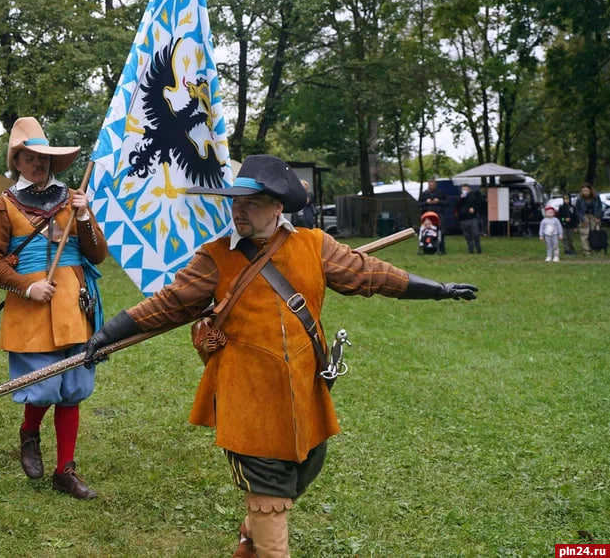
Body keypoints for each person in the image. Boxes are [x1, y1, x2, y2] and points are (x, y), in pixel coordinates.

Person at [82, 154, 477, 558]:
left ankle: (252, 529)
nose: (239, 211)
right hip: (247, 397)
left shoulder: (314, 246)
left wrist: (438, 288)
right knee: (269, 493)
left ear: (277, 207)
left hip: (304, 392)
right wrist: (106, 334)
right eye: (235, 202)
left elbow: (371, 274)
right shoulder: (214, 257)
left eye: (250, 203)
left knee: (297, 477)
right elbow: (166, 305)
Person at [0, 116, 108, 500]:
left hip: (74, 303)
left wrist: (83, 216)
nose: (39, 165)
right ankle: (29, 431)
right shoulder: (3, 206)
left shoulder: (71, 198)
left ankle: (65, 470)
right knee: (45, 389)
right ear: (17, 162)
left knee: (74, 388)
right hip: (32, 305)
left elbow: (97, 254)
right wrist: (25, 285)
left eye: (45, 158)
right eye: (31, 158)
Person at [418, 178, 447, 254]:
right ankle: (425, 248)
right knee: (425, 232)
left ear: (435, 184)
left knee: (441, 232)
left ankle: (441, 249)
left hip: (438, 215)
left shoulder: (441, 193)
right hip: (426, 216)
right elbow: (419, 204)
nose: (431, 186)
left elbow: (447, 203)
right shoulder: (424, 193)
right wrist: (426, 202)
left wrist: (439, 201)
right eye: (430, 184)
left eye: (433, 184)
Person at [575, 183, 604, 256]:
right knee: (585, 233)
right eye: (583, 191)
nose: (585, 192)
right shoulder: (579, 198)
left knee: (595, 232)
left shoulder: (596, 196)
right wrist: (582, 220)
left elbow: (600, 207)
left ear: (590, 190)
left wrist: (598, 217)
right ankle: (587, 251)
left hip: (594, 215)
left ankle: (596, 249)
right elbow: (577, 210)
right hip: (584, 216)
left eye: (586, 190)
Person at [455, 184, 482, 254]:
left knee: (476, 234)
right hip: (463, 219)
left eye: (466, 189)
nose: (464, 191)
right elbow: (456, 206)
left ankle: (478, 248)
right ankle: (471, 249)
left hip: (472, 218)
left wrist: (474, 209)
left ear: (469, 190)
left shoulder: (473, 196)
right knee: (467, 236)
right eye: (463, 189)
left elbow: (479, 205)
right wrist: (460, 199)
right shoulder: (459, 197)